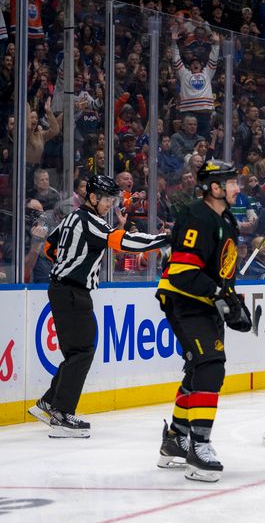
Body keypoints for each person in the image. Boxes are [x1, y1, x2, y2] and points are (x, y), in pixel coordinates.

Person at [27, 175, 169, 438]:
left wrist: (68, 260)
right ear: (92, 197)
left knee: (78, 351)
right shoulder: (92, 223)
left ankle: (50, 402)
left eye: (112, 199)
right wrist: (163, 239)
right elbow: (124, 243)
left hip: (63, 289)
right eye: (106, 199)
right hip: (72, 292)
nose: (109, 204)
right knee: (82, 351)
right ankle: (61, 414)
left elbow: (49, 246)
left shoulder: (71, 219)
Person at [155, 161, 253, 483]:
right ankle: (199, 446)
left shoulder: (226, 220)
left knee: (200, 368)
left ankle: (175, 440)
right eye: (232, 182)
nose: (237, 188)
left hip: (204, 302)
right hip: (186, 300)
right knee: (211, 365)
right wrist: (219, 294)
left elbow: (222, 273)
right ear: (214, 188)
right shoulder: (196, 216)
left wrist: (233, 300)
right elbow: (183, 273)